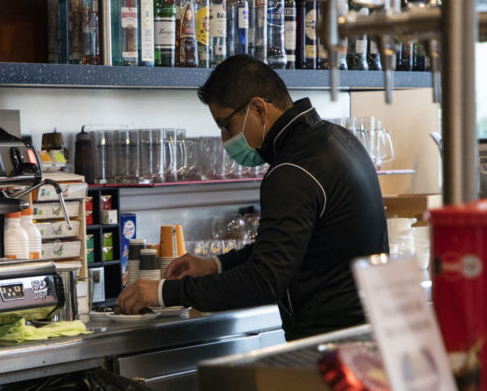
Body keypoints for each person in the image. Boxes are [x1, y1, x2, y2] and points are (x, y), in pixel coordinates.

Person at [116, 55, 388, 340]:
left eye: (226, 125)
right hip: (369, 334)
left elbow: (263, 280)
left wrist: (163, 292)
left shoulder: (291, 170)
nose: (224, 139)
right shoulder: (339, 139)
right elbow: (285, 248)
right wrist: (215, 265)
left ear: (258, 109)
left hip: (330, 343)